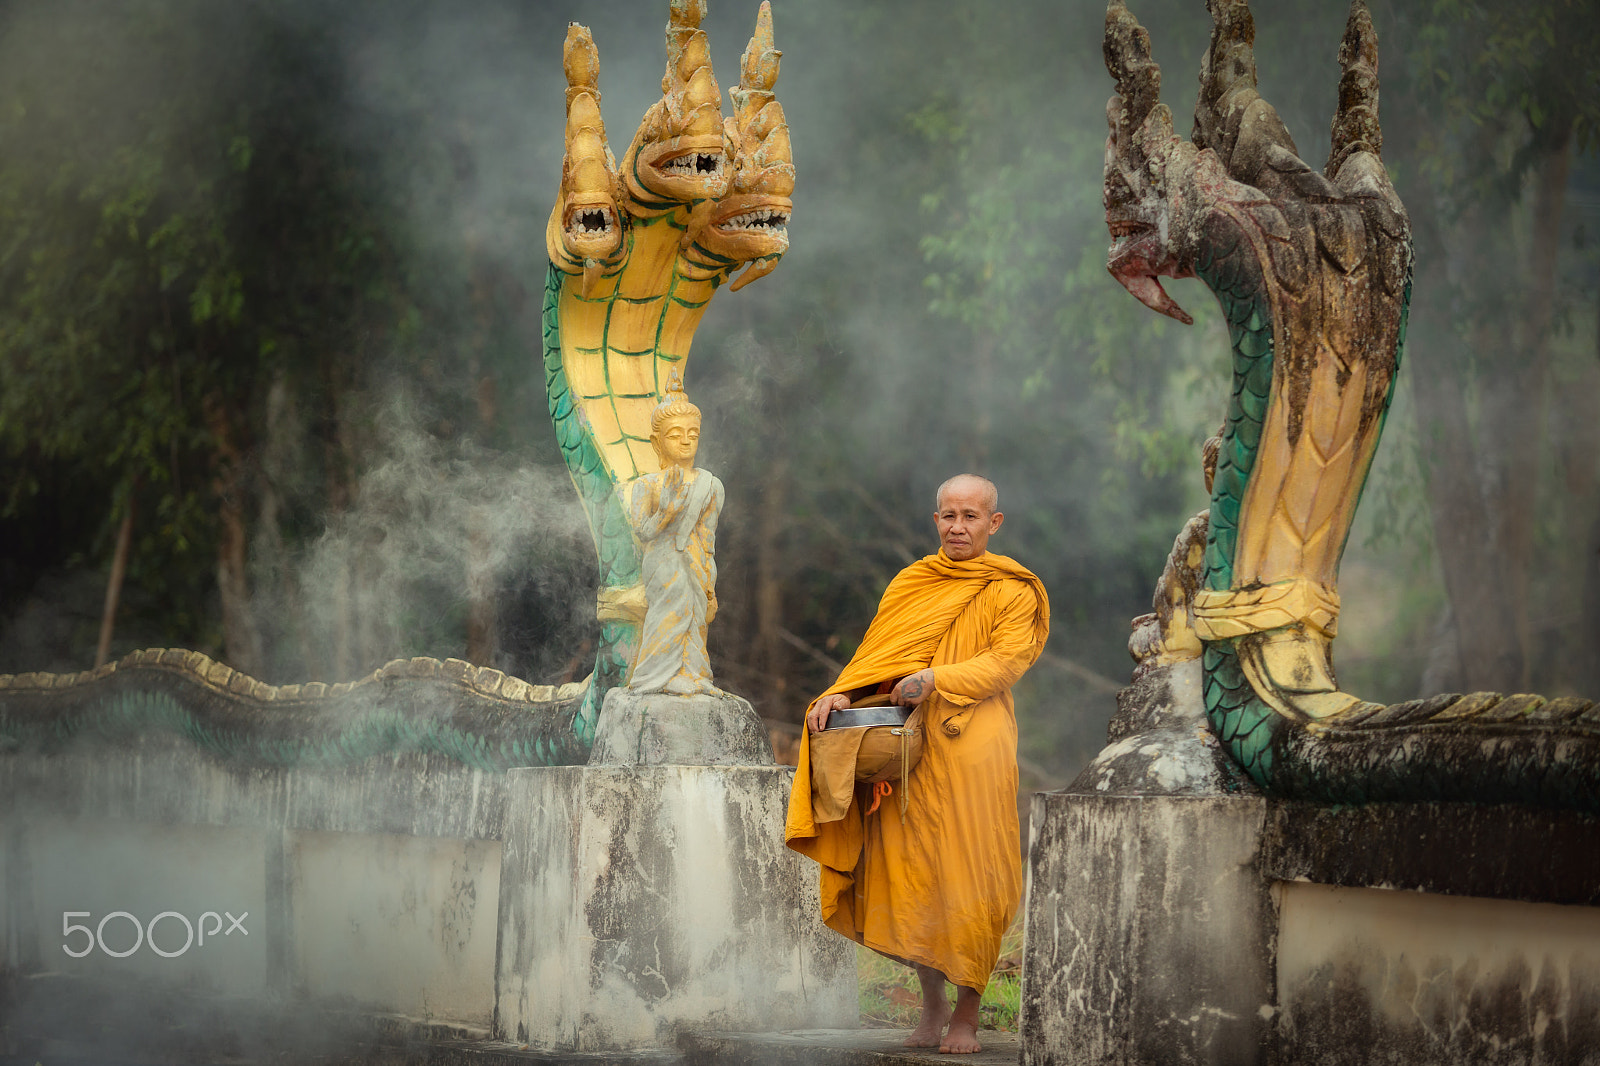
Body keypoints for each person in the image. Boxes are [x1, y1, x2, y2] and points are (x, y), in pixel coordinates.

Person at [785, 474, 1050, 1054]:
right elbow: (877, 659)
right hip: (906, 754)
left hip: (972, 744)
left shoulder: (1012, 589)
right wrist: (841, 694)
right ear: (935, 520)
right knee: (909, 874)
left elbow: (1006, 663)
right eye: (948, 515)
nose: (958, 526)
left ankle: (967, 1015)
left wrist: (938, 679)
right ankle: (930, 1006)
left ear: (994, 523)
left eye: (971, 516)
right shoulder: (913, 582)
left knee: (971, 874)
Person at [625, 381, 724, 695]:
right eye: (675, 434)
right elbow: (643, 531)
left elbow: (707, 540)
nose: (685, 441)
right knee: (670, 613)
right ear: (656, 443)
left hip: (695, 562)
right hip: (663, 562)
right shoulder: (647, 485)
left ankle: (695, 674)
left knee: (696, 614)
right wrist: (665, 512)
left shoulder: (711, 485)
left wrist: (709, 583)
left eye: (692, 434)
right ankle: (659, 677)